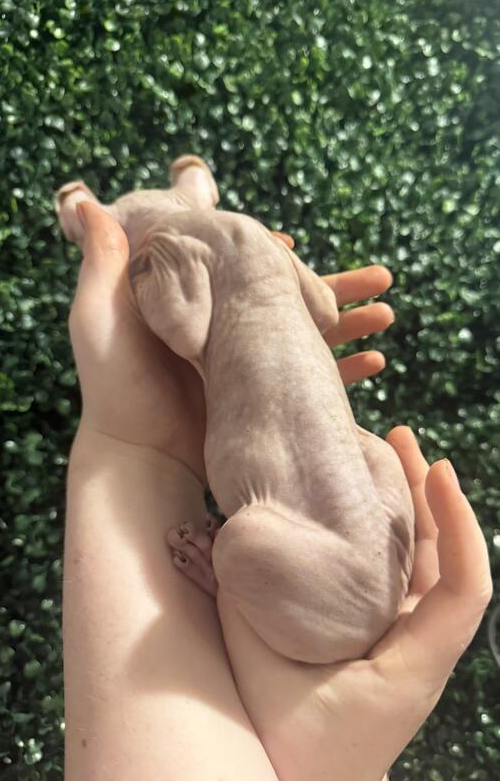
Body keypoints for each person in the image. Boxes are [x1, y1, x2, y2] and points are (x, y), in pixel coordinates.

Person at [63, 201, 492, 780]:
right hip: (372, 561)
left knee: (242, 538)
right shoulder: (263, 245)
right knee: (374, 454)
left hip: (321, 578)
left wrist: (141, 278)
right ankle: (284, 600)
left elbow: (182, 327)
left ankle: (233, 583)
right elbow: (323, 307)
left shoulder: (181, 248)